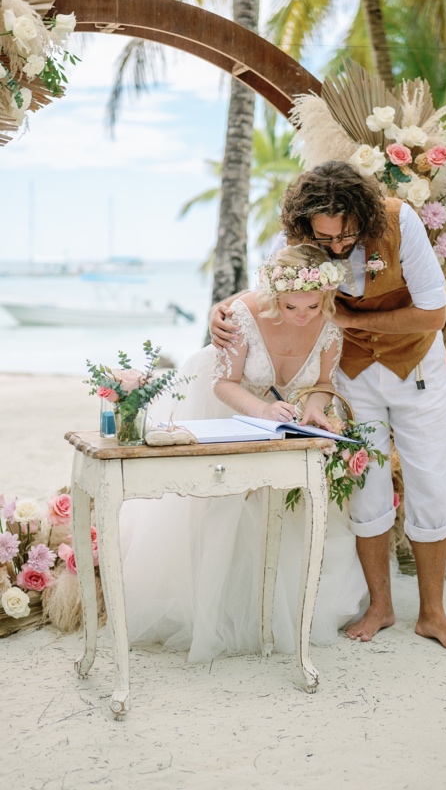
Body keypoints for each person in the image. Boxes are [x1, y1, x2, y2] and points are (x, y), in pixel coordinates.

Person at [211, 161, 446, 654]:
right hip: (351, 376)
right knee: (366, 489)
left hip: (416, 369)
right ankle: (381, 606)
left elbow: (433, 313)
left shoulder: (400, 221)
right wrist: (220, 308)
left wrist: (349, 317)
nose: (335, 245)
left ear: (363, 216)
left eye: (345, 234)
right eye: (324, 236)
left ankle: (434, 615)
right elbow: (268, 291)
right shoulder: (300, 237)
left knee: (429, 484)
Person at [119, 244, 371, 663]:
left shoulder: (328, 324)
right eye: (293, 306)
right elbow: (224, 383)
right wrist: (264, 411)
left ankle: (274, 611)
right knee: (222, 513)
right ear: (275, 295)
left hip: (280, 419)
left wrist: (313, 407)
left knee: (286, 513)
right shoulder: (242, 316)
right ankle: (212, 614)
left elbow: (324, 382)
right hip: (225, 409)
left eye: (312, 305)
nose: (304, 315)